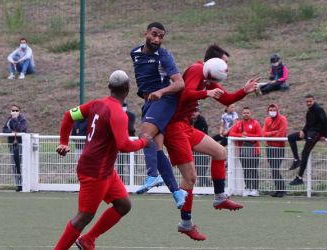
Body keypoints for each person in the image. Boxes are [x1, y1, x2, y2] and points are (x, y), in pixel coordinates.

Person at [164, 44, 258, 240]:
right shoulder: (198, 69)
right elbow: (185, 93)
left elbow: (227, 99)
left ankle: (219, 198)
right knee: (190, 178)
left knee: (220, 153)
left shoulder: (208, 77)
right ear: (214, 62)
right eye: (225, 63)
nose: (226, 67)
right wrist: (204, 93)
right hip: (173, 128)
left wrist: (244, 90)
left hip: (185, 126)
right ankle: (186, 224)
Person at [53, 70, 151, 250]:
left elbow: (68, 115)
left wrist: (63, 142)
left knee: (123, 205)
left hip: (104, 170)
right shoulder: (118, 114)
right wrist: (144, 142)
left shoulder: (97, 104)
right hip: (95, 172)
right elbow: (123, 145)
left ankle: (88, 239)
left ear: (109, 87)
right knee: (83, 216)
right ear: (128, 89)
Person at [130, 22, 187, 207]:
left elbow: (180, 84)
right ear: (145, 33)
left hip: (164, 100)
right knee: (156, 148)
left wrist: (161, 92)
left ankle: (152, 175)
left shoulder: (164, 55)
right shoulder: (135, 53)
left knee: (145, 135)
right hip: (149, 103)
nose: (157, 39)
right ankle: (177, 192)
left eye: (160, 37)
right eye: (154, 34)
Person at [288, 94, 327, 185]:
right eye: (307, 101)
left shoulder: (318, 109)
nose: (308, 103)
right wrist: (303, 131)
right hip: (309, 132)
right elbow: (308, 124)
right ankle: (296, 160)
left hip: (316, 134)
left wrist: (324, 135)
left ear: (313, 100)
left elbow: (326, 122)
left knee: (305, 152)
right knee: (291, 137)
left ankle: (299, 177)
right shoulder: (309, 111)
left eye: (310, 101)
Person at [229, 107, 262, 197]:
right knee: (246, 170)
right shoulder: (239, 124)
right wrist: (240, 135)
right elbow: (231, 133)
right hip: (243, 151)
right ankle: (247, 188)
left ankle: (255, 189)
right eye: (244, 113)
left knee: (253, 170)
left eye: (247, 112)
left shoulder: (255, 123)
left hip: (255, 151)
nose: (246, 114)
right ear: (242, 114)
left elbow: (259, 134)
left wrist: (247, 136)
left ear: (250, 114)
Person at [262, 104, 288, 197]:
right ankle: (279, 189)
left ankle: (281, 189)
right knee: (273, 169)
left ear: (277, 110)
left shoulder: (282, 119)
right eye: (270, 109)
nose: (272, 111)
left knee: (275, 168)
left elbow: (281, 134)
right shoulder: (267, 120)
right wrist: (274, 132)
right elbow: (263, 133)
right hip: (269, 147)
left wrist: (270, 134)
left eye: (274, 109)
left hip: (279, 148)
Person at [2, 104, 27, 192]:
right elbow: (4, 130)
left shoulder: (23, 120)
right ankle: (18, 185)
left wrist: (15, 120)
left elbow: (21, 129)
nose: (14, 112)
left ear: (19, 111)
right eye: (13, 110)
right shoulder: (8, 120)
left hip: (21, 145)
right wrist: (11, 132)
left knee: (22, 165)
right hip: (12, 145)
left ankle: (25, 183)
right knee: (14, 165)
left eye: (16, 110)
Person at [191, 108, 210, 186]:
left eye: (195, 112)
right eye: (193, 111)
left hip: (202, 148)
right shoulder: (189, 120)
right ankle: (208, 184)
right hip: (193, 148)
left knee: (201, 168)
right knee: (198, 169)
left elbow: (203, 134)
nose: (194, 113)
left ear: (198, 112)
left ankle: (202, 186)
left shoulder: (202, 121)